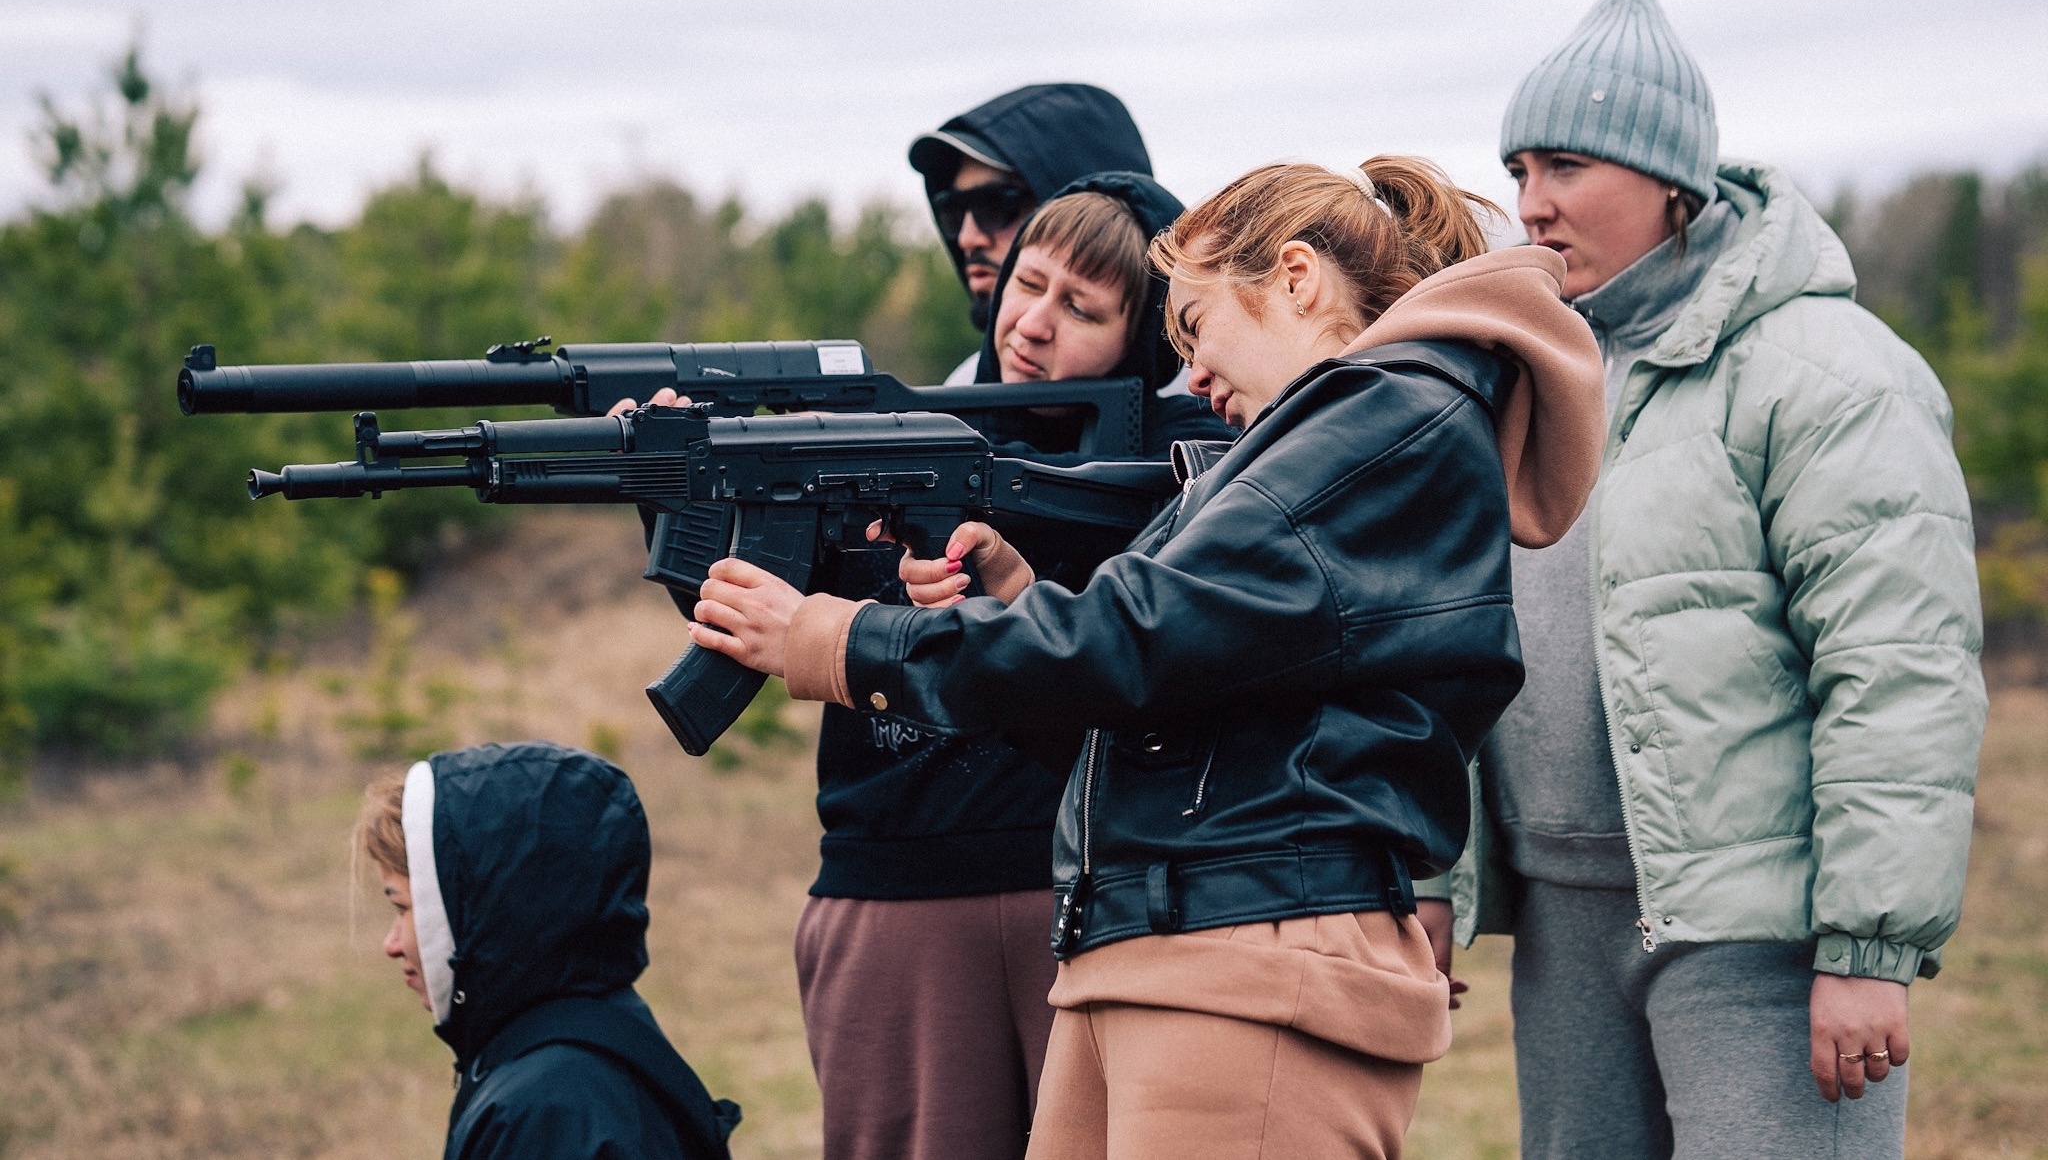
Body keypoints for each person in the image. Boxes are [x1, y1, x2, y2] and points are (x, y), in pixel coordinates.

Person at [684, 157, 1608, 1157]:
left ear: (1295, 278)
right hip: (1178, 947)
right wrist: (1018, 604)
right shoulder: (1340, 437)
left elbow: (1140, 631)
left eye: (1197, 327)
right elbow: (1176, 693)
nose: (1192, 376)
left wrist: (838, 638)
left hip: (1250, 959)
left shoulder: (1380, 418)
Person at [1430, 0, 1987, 1160]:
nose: (1528, 203)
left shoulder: (1827, 373)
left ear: (1667, 176)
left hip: (1757, 938)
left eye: (1564, 166)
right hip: (1566, 926)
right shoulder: (1512, 372)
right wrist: (1439, 869)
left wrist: (1865, 950)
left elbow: (1896, 672)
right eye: (1517, 168)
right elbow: (1443, 633)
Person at [798, 173, 1233, 1160]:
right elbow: (744, 612)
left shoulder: (1175, 475)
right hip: (897, 883)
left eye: (1080, 308)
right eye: (1025, 286)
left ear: (1143, 341)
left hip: (1077, 893)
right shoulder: (901, 433)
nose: (1030, 324)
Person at [359, 741, 741, 1160]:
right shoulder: (593, 1032)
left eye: (403, 907)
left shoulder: (544, 1115)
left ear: (489, 910)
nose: (391, 945)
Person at [908, 83, 1153, 383]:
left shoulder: (1207, 400)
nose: (967, 238)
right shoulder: (965, 385)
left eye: (995, 206)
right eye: (953, 211)